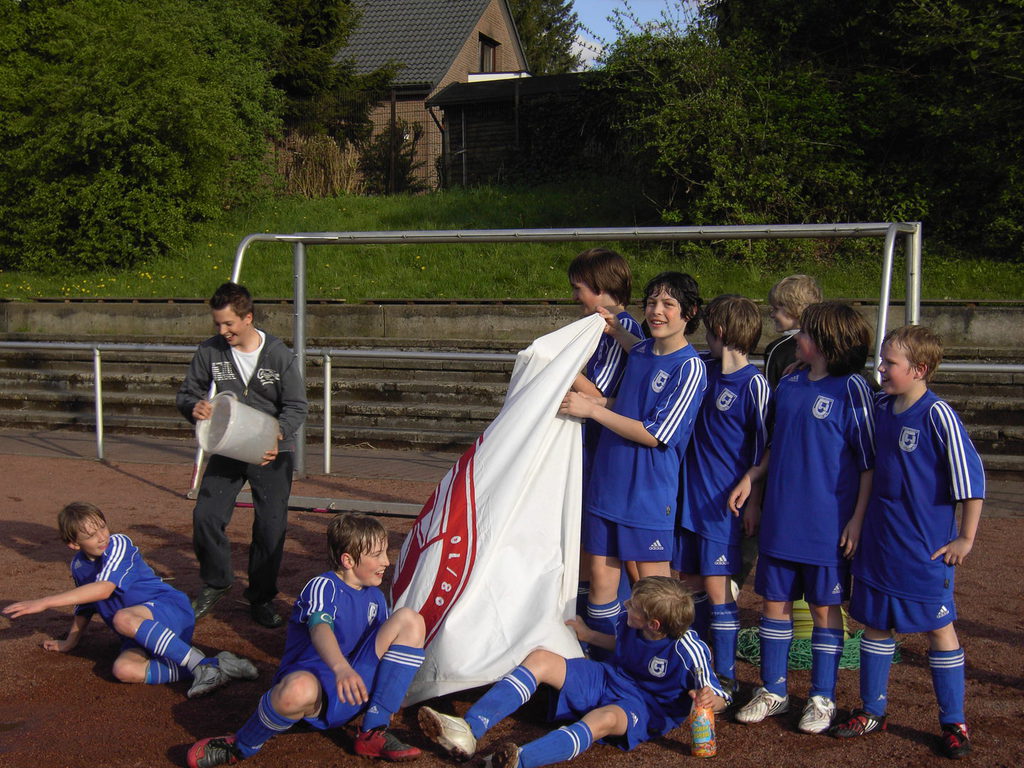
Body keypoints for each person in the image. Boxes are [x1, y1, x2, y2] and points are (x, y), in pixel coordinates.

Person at [830, 325, 984, 759]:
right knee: (875, 624)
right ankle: (872, 711)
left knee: (939, 628)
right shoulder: (881, 406)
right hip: (880, 544)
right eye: (881, 360)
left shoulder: (937, 415)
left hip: (923, 550)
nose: (881, 368)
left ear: (919, 369)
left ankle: (954, 722)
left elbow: (971, 480)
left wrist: (965, 538)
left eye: (890, 363)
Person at [729, 301, 875, 735]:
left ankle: (822, 697)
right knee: (774, 604)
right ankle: (773, 690)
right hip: (781, 518)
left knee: (824, 608)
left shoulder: (853, 388)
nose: (798, 338)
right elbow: (775, 445)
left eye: (806, 333)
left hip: (827, 524)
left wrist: (858, 519)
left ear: (828, 343)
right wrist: (753, 483)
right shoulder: (790, 383)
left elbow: (869, 463)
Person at [187, 513, 426, 767]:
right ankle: (241, 745)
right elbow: (319, 628)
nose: (386, 561)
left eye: (385, 553)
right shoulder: (323, 586)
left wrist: (390, 692)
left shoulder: (375, 596)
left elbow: (385, 651)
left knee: (410, 619)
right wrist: (341, 668)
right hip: (316, 691)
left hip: (354, 690)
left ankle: (374, 730)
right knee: (297, 690)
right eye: (377, 554)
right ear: (348, 560)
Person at [418, 576, 730, 768]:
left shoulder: (690, 649)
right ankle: (470, 729)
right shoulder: (631, 623)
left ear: (654, 624)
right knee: (541, 659)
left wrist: (710, 700)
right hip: (610, 678)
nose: (626, 604)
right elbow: (622, 644)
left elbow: (718, 695)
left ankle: (518, 760)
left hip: (646, 708)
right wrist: (589, 635)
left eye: (633, 605)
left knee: (603, 719)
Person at [560, 272, 706, 643]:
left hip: (646, 496)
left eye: (668, 304)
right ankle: (607, 662)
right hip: (607, 487)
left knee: (657, 596)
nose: (657, 311)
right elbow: (626, 405)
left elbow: (655, 433)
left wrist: (593, 410)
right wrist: (596, 399)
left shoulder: (689, 367)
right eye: (652, 302)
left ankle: (664, 668)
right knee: (601, 585)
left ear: (689, 312)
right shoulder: (640, 352)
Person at [2, 502, 258, 699]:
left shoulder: (119, 544)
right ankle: (216, 664)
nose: (102, 537)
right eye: (90, 535)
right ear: (73, 544)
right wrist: (70, 642)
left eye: (102, 527)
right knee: (124, 670)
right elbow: (86, 605)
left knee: (122, 618)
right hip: (135, 631)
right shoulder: (78, 565)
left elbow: (104, 589)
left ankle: (201, 666)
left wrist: (45, 602)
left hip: (169, 610)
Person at [177, 282, 308, 628]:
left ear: (248, 318)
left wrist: (278, 435)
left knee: (270, 528)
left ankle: (261, 597)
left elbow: (297, 406)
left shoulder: (278, 355)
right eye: (218, 324)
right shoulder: (210, 351)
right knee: (206, 515)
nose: (223, 331)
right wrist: (194, 407)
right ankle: (217, 582)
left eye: (229, 324)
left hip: (272, 451)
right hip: (229, 445)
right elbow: (187, 394)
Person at [675, 295, 770, 690]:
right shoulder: (703, 369)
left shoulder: (754, 384)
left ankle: (726, 675)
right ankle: (698, 667)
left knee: (717, 587)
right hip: (690, 499)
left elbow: (765, 448)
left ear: (718, 330)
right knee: (690, 583)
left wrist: (754, 499)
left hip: (722, 505)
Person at [566, 248, 645, 622]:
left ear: (599, 287)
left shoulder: (621, 328)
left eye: (578, 288)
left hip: (609, 451)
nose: (574, 296)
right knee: (594, 549)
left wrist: (561, 368)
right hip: (598, 449)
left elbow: (600, 394)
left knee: (609, 555)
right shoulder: (602, 327)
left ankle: (616, 633)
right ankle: (591, 627)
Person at [762, 275, 822, 389]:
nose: (772, 315)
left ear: (794, 308)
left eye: (776, 309)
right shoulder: (824, 344)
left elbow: (770, 393)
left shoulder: (778, 348)